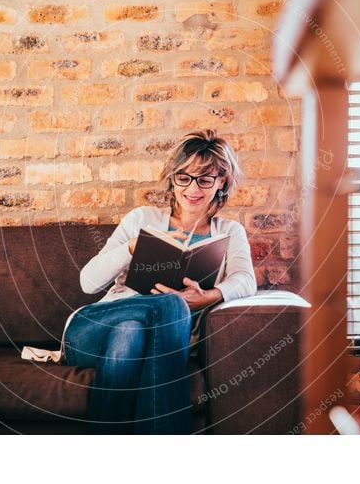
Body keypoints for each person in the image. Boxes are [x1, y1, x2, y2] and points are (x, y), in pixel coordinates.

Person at [62, 129, 256, 434]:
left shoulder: (229, 232)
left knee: (132, 332)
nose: (193, 189)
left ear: (221, 182)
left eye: (205, 179)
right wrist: (131, 248)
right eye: (184, 177)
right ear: (172, 178)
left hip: (147, 339)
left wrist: (209, 296)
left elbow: (246, 280)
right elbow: (88, 282)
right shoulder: (142, 219)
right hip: (91, 331)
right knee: (168, 304)